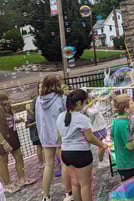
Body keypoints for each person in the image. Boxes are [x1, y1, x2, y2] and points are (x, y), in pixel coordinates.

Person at [56, 89, 108, 201]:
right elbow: (90, 137)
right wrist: (102, 145)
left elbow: (59, 136)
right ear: (79, 103)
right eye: (85, 103)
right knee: (85, 185)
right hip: (81, 154)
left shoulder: (60, 116)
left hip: (65, 153)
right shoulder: (82, 118)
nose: (85, 106)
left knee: (75, 183)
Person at [35, 73, 72, 201]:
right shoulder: (60, 98)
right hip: (60, 135)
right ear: (55, 85)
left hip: (46, 137)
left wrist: (42, 135)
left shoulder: (38, 100)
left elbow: (38, 119)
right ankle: (68, 193)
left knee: (48, 165)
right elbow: (66, 117)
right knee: (64, 163)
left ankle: (45, 196)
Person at [0, 92, 36, 194]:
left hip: (13, 136)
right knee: (3, 161)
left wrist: (16, 120)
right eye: (7, 100)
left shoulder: (8, 110)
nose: (9, 101)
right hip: (3, 140)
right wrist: (4, 143)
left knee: (19, 156)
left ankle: (22, 178)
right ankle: (7, 184)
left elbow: (7, 122)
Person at [111, 94, 134, 183]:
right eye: (132, 103)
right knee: (133, 191)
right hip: (128, 164)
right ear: (126, 109)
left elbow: (112, 136)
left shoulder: (116, 121)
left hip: (124, 162)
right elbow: (130, 146)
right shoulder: (123, 124)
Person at [83, 94, 108, 168]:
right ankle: (101, 162)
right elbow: (94, 112)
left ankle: (102, 159)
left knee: (101, 145)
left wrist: (98, 101)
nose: (91, 99)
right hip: (97, 129)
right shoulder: (86, 109)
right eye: (89, 98)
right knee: (101, 146)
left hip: (101, 127)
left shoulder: (92, 105)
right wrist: (97, 101)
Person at [25, 80, 44, 169]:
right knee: (40, 146)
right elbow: (34, 115)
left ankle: (46, 161)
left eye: (43, 87)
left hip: (42, 126)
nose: (41, 89)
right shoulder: (36, 99)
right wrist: (29, 111)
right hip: (37, 127)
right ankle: (41, 162)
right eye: (39, 87)